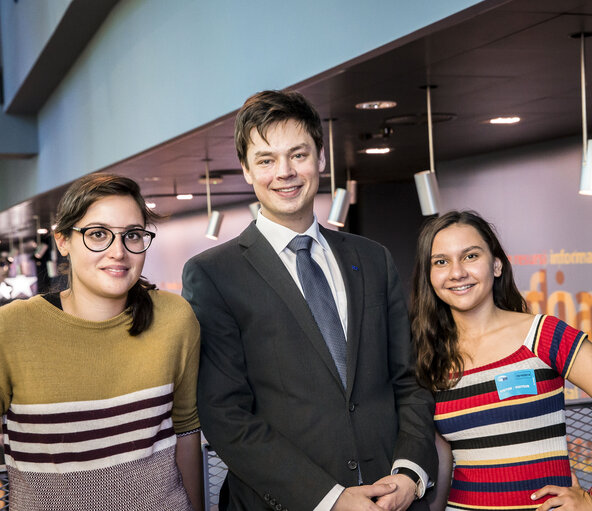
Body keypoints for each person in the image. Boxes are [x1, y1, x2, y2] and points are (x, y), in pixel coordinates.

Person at [182, 90, 438, 511]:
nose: (284, 172)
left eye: (298, 154)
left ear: (320, 158)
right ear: (247, 170)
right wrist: (331, 499)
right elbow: (226, 415)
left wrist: (410, 471)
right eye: (266, 160)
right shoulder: (214, 274)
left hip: (393, 498)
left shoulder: (371, 258)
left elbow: (410, 380)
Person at [0, 174, 203, 511]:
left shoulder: (175, 317)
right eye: (98, 234)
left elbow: (187, 430)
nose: (118, 252)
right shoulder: (10, 330)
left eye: (132, 235)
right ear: (63, 241)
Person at [410, 210, 592, 511]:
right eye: (441, 261)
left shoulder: (543, 335)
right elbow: (443, 457)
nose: (457, 272)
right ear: (430, 276)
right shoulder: (430, 356)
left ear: (497, 265)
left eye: (471, 256)